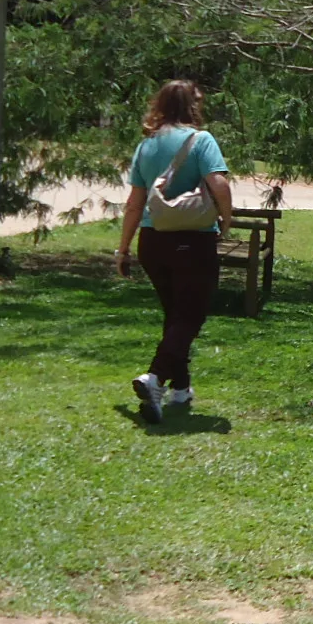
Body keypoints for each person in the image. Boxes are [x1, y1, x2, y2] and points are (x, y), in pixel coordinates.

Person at [116, 80, 234, 425]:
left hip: (153, 241)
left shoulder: (146, 145)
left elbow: (135, 204)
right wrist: (226, 221)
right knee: (191, 315)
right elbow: (219, 184)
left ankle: (180, 389)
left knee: (175, 315)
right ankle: (155, 378)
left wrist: (123, 249)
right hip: (192, 240)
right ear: (192, 106)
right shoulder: (202, 140)